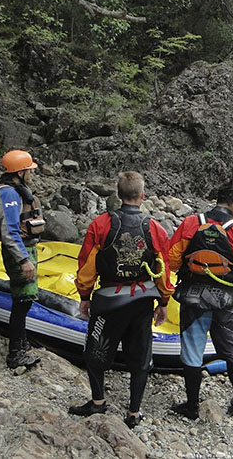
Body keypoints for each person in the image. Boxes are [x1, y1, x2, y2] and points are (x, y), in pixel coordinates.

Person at [68, 171, 172, 429]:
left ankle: (98, 401)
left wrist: (84, 295)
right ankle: (134, 412)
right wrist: (164, 302)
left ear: (117, 194)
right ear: (142, 195)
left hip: (108, 303)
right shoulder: (155, 228)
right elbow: (164, 268)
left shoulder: (101, 225)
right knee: (140, 357)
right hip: (141, 303)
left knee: (96, 352)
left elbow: (86, 264)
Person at [167, 183, 233, 420]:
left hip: (192, 298)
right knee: (232, 350)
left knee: (192, 350)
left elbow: (172, 258)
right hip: (224, 300)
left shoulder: (191, 223)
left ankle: (192, 406)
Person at [0, 150, 43, 369]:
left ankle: (21, 343)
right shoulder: (8, 194)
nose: (31, 174)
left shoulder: (15, 190)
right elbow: (10, 232)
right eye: (29, 170)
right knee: (23, 301)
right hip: (19, 253)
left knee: (25, 299)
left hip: (26, 250)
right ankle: (16, 352)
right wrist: (23, 260)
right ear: (19, 172)